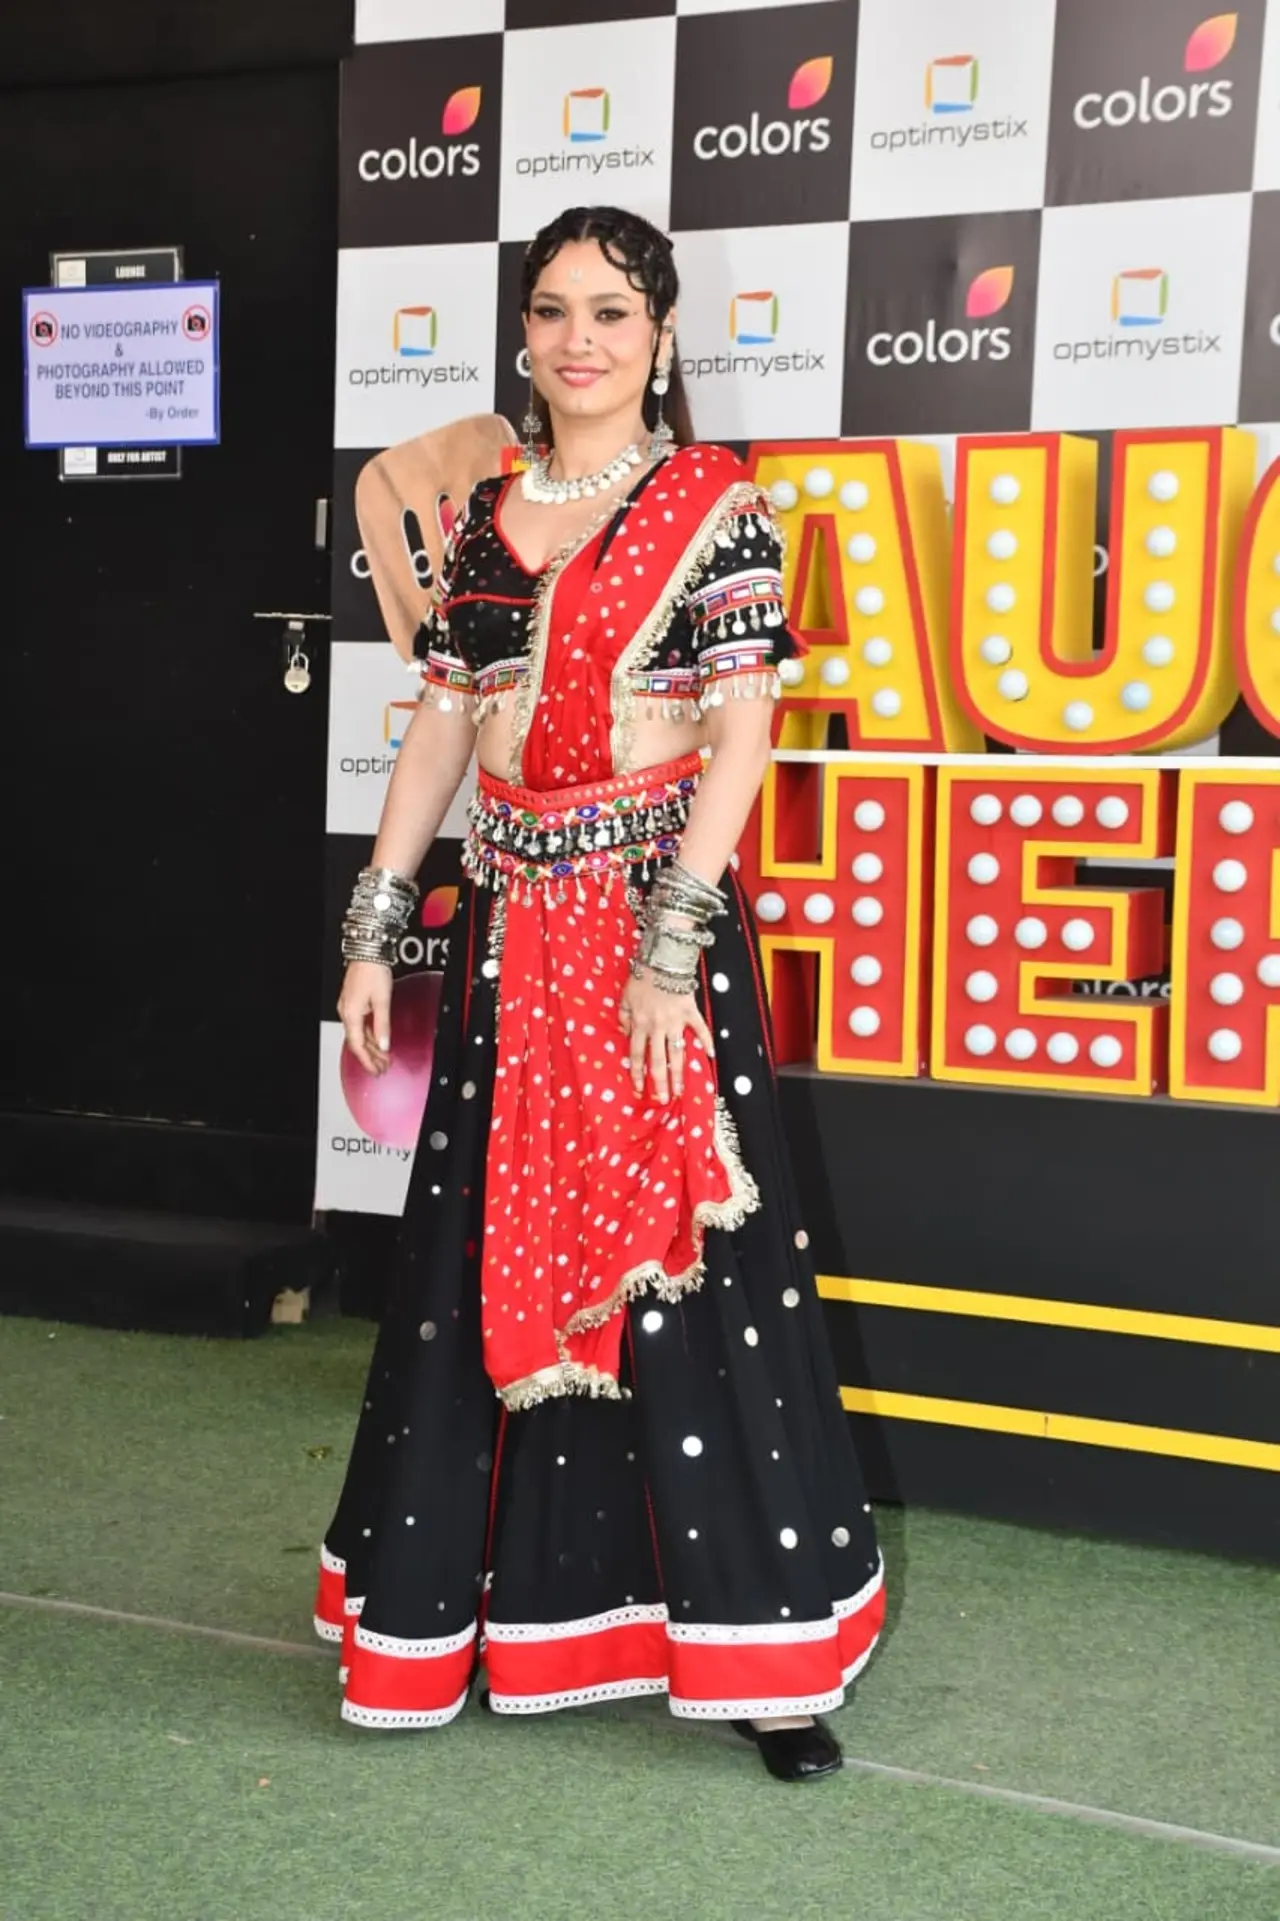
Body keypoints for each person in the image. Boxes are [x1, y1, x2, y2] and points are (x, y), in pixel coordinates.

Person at [314, 205, 884, 1782]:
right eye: (555, 310)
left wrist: (671, 946)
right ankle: (480, 1618)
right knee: (478, 1261)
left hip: (648, 939)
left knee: (693, 1276)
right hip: (510, 939)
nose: (582, 340)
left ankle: (765, 1656)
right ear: (524, 334)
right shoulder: (490, 519)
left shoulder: (715, 506)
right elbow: (444, 725)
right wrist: (375, 924)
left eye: (614, 313)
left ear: (662, 337)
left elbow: (742, 735)